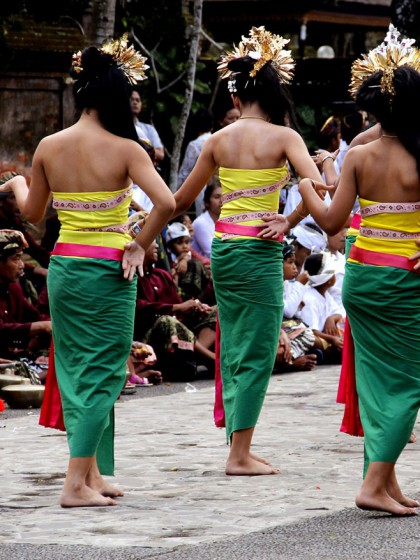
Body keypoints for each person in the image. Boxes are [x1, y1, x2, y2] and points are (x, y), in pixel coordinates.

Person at [0, 35, 175, 508]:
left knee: (76, 368)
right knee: (104, 371)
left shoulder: (49, 146)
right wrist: (139, 244)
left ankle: (90, 474)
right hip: (106, 270)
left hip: (64, 267)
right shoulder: (125, 148)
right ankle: (74, 484)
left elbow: (35, 213)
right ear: (117, 96)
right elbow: (167, 202)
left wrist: (18, 183)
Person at [174, 26, 323, 476]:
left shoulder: (218, 140)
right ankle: (239, 454)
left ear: (237, 97)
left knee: (236, 342)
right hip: (258, 253)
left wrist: (141, 223)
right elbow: (314, 190)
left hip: (224, 249)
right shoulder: (285, 137)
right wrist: (289, 220)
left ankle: (238, 445)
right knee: (257, 348)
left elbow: (181, 201)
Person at [298, 25, 420, 515]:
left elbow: (330, 223)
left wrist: (308, 180)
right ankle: (372, 486)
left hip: (364, 278)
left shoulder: (360, 156)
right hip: (405, 278)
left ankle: (385, 484)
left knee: (374, 380)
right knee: (409, 380)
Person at [0, 229, 51, 359]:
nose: (22, 265)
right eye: (16, 259)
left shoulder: (13, 288)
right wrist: (41, 326)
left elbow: (34, 316)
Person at [177, 108, 214, 215]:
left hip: (202, 189)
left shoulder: (195, 145)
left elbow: (185, 173)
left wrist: (174, 193)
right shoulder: (218, 141)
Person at [130, 87, 165, 163]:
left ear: (141, 105)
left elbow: (161, 154)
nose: (135, 102)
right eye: (132, 99)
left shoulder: (149, 129)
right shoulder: (115, 127)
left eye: (138, 100)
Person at [191, 181, 222, 259]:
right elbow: (213, 253)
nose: (222, 201)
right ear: (207, 202)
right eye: (217, 197)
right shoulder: (200, 223)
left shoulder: (226, 221)